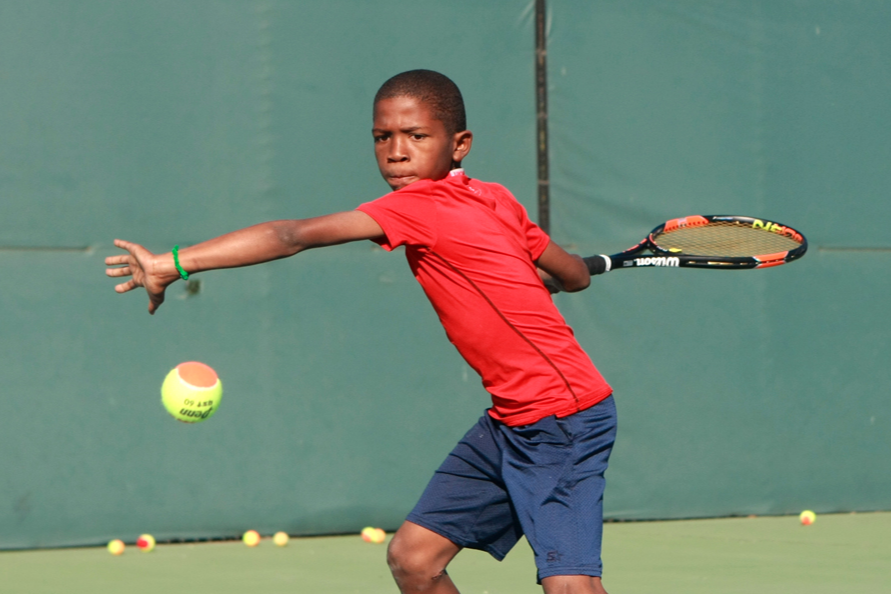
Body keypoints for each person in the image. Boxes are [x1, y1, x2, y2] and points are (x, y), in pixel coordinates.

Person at [106, 69, 617, 594]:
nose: (396, 152)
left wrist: (176, 262)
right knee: (415, 559)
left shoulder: (417, 205)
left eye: (416, 137)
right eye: (382, 137)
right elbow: (574, 275)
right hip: (513, 418)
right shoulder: (495, 198)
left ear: (459, 144)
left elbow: (291, 235)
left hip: (563, 419)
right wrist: (521, 280)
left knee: (570, 586)